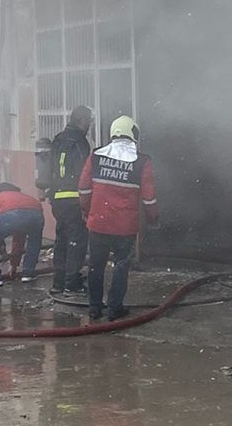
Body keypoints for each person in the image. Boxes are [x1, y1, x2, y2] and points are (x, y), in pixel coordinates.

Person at [78, 115, 158, 322]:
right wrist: (153, 219)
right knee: (121, 266)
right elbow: (149, 198)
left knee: (96, 265)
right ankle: (115, 308)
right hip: (125, 227)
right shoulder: (142, 162)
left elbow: (84, 188)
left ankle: (94, 308)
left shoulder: (95, 156)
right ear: (134, 134)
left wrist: (87, 212)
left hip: (98, 223)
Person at [45, 106, 93, 297]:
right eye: (88, 121)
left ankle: (58, 281)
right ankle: (72, 283)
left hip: (57, 199)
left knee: (62, 240)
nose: (89, 125)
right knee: (77, 240)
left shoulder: (58, 139)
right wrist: (86, 202)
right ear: (81, 120)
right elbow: (84, 173)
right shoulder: (80, 142)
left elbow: (50, 168)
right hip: (74, 198)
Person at [0, 182, 45, 288]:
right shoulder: (21, 196)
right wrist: (14, 264)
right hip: (37, 213)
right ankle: (28, 273)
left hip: (12, 214)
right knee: (34, 241)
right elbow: (19, 238)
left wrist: (1, 249)